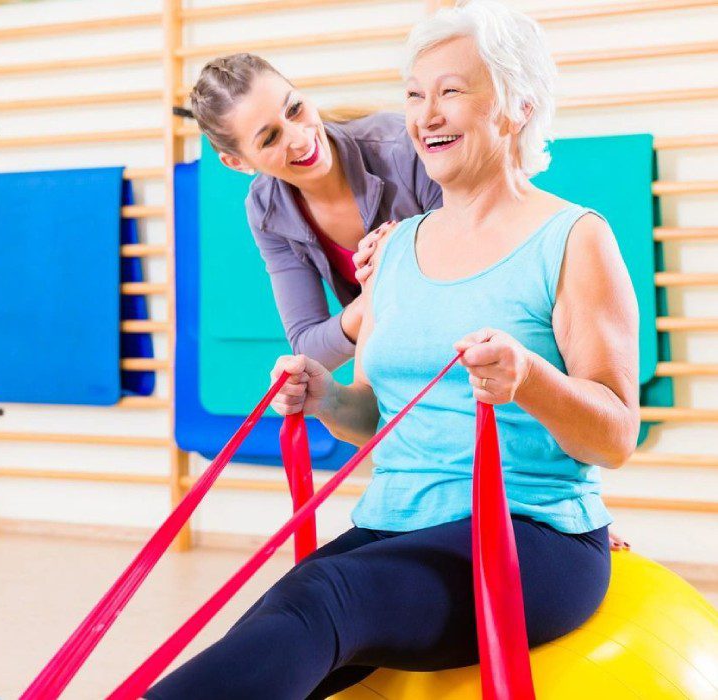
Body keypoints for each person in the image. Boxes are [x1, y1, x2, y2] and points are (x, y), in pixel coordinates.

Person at [145, 2, 639, 698]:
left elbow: (616, 436)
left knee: (323, 599)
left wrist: (527, 378)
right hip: (396, 523)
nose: (426, 113)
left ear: (516, 107)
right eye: (414, 95)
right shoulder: (394, 251)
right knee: (275, 624)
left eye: (451, 92)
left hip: (531, 537)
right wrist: (324, 397)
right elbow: (378, 418)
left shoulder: (575, 239)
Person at [189, 53, 442, 369]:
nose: (300, 138)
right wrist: (374, 296)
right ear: (238, 163)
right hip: (400, 370)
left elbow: (468, 280)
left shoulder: (404, 150)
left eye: (294, 109)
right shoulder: (267, 210)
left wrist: (393, 269)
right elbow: (308, 347)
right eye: (270, 138)